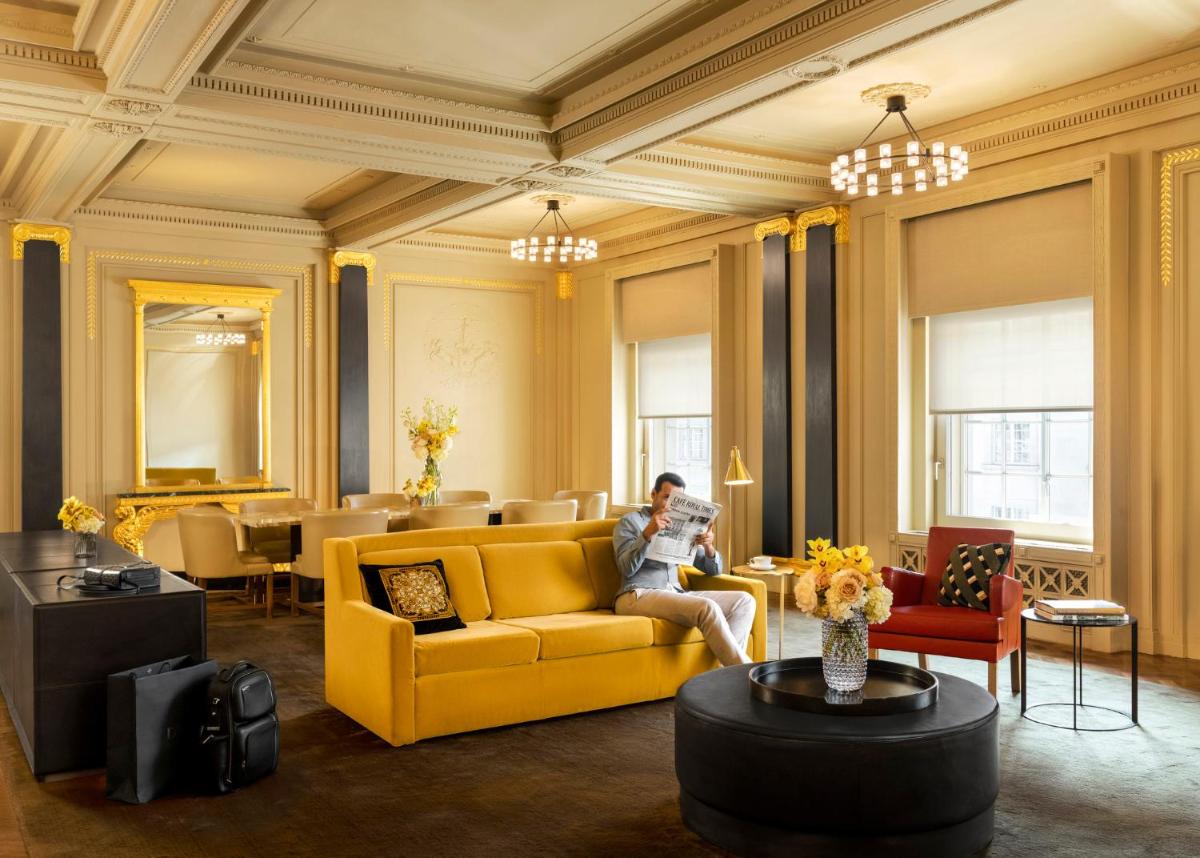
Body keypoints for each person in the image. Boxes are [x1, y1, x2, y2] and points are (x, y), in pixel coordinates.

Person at [612, 472, 756, 666]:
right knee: (707, 607)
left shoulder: (678, 523)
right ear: (653, 494)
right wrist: (648, 533)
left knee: (744, 601)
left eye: (676, 500)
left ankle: (725, 674)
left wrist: (708, 546)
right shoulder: (630, 522)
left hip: (674, 592)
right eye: (666, 497)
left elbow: (713, 570)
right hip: (636, 594)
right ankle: (744, 673)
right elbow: (625, 568)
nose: (670, 505)